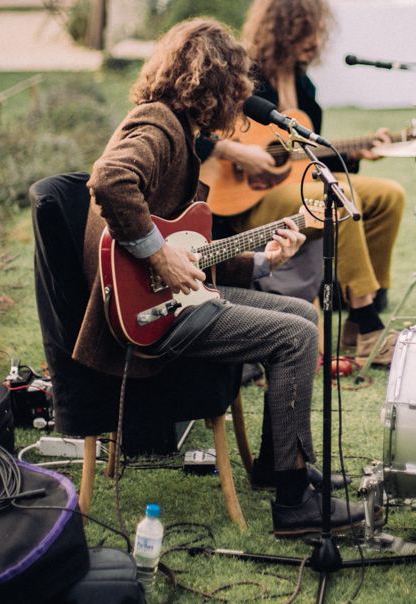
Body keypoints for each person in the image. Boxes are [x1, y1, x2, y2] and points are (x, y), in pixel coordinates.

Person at [72, 18, 365, 536]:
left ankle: (282, 465)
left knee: (300, 312)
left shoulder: (178, 131)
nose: (243, 97)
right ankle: (295, 506)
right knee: (297, 334)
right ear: (214, 85)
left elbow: (192, 244)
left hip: (170, 299)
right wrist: (158, 256)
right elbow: (110, 179)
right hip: (150, 318)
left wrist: (262, 260)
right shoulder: (157, 126)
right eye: (238, 86)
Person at [196, 0, 406, 366]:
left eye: (318, 30)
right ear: (278, 29)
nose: (314, 40)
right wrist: (237, 152)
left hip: (290, 187)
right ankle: (368, 321)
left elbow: (304, 163)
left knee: (390, 195)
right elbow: (198, 131)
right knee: (336, 200)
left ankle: (360, 312)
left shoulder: (304, 86)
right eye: (304, 29)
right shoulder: (243, 74)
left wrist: (354, 155)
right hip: (243, 198)